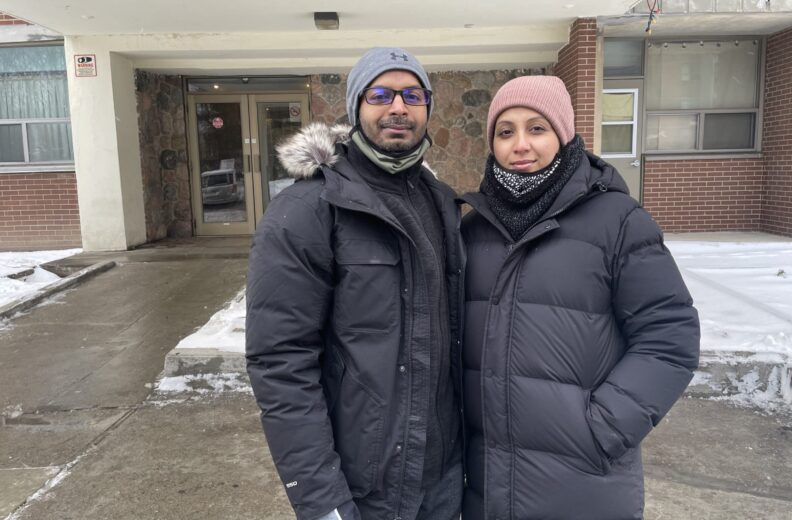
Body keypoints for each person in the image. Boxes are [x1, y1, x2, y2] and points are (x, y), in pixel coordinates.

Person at [460, 75, 701, 520]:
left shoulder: (618, 221)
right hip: (488, 487)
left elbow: (669, 337)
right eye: (505, 131)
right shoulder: (473, 230)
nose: (520, 146)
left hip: (583, 485)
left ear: (564, 134)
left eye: (537, 128)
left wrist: (603, 429)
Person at [245, 47, 464, 520]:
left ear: (428, 107)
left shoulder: (442, 203)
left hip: (443, 483)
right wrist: (321, 498)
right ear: (355, 107)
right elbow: (282, 364)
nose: (398, 107)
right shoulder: (308, 210)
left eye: (412, 95)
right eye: (380, 94)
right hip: (364, 490)